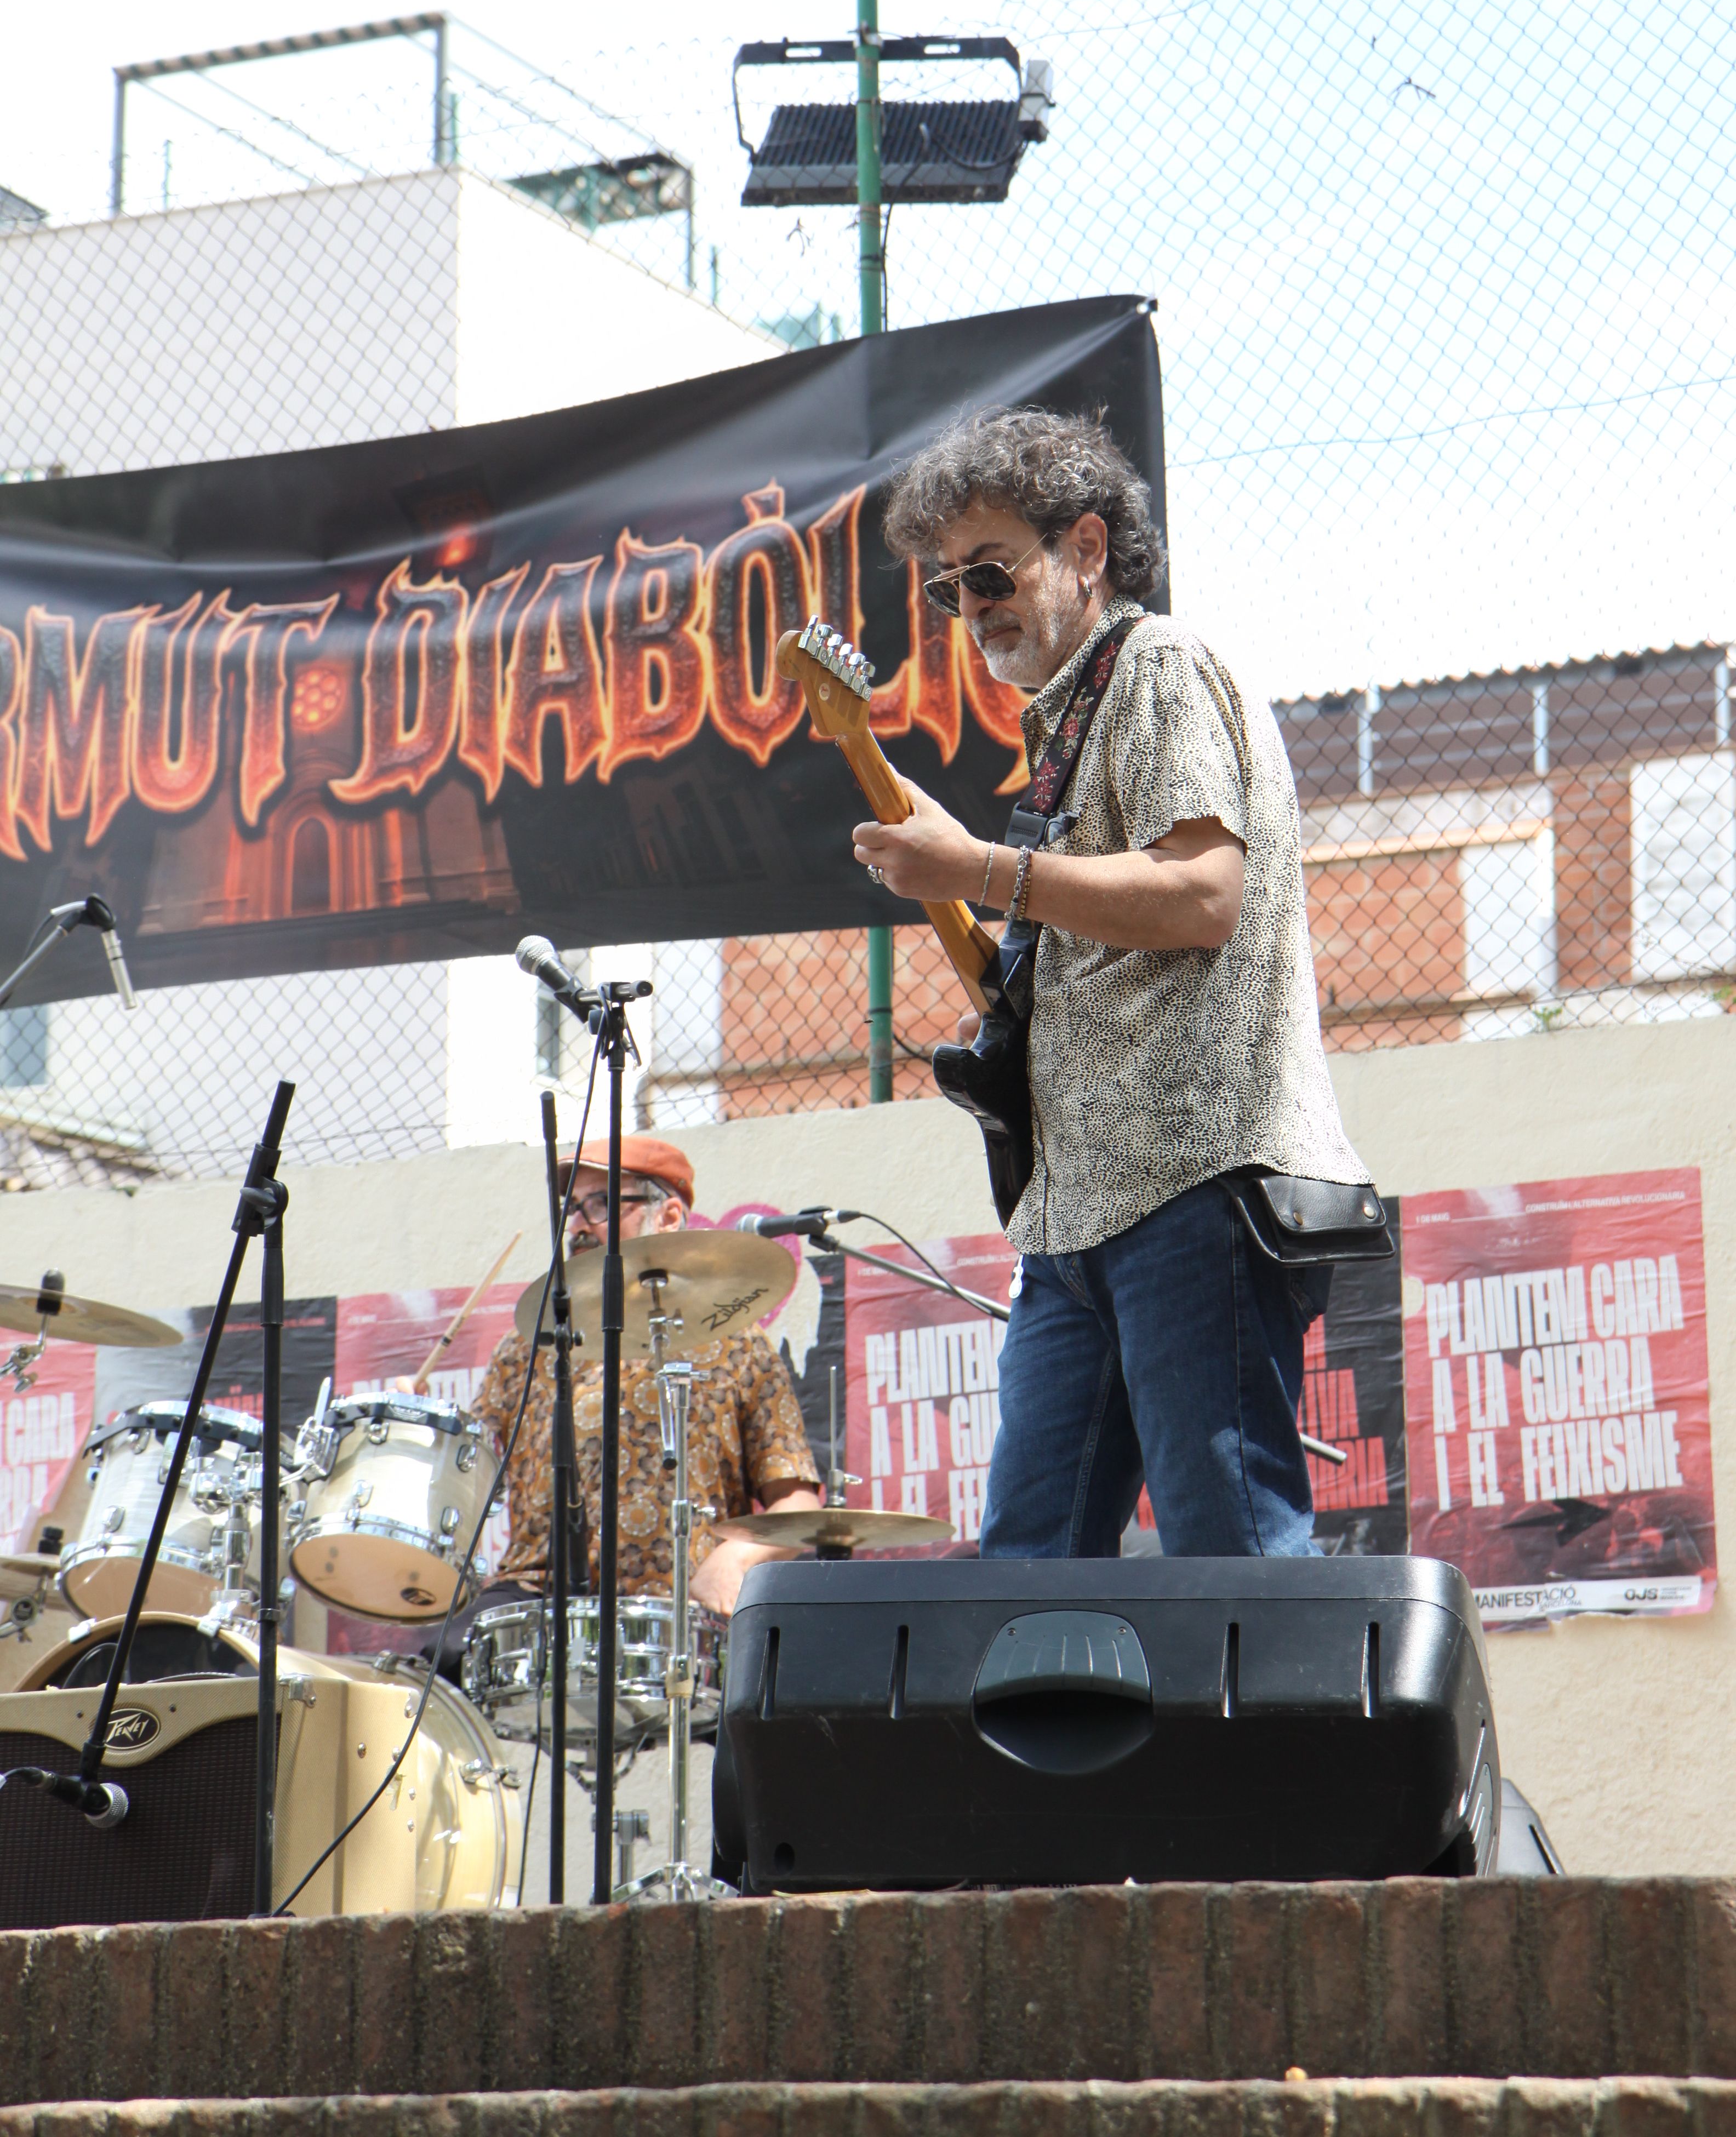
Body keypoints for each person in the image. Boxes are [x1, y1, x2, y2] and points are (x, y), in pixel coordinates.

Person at [859, 406, 1370, 1561]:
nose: (970, 605)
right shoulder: (1069, 723)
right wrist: (976, 896)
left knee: (1231, 1555)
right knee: (1024, 1574)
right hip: (1074, 1217)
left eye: (990, 570)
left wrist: (976, 868)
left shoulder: (1157, 668)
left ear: (1085, 548)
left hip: (1191, 1189)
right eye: (948, 587)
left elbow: (1201, 893)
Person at [472, 1133, 822, 1623]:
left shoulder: (738, 1341)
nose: (579, 1223)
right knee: (444, 1657)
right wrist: (421, 1439)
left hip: (678, 1615)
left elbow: (797, 1501)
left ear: (670, 1217)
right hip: (534, 1603)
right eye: (572, 1207)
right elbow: (469, 1472)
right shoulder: (529, 1343)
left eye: (601, 1203)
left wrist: (738, 1557)